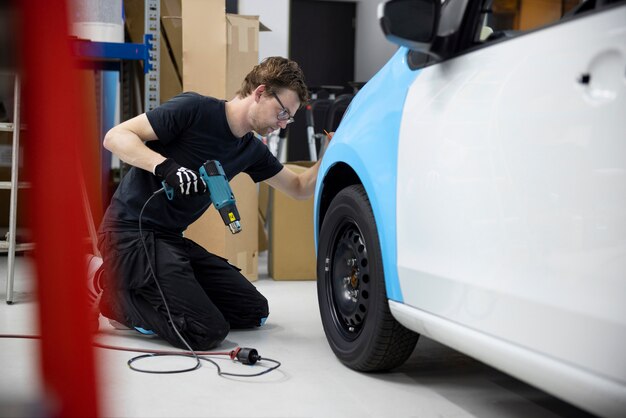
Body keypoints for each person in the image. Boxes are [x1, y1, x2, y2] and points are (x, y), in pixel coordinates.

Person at [88, 57, 323, 350]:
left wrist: (331, 152)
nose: (283, 124)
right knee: (206, 331)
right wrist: (165, 167)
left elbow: (299, 188)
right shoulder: (194, 109)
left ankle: (161, 290)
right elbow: (115, 137)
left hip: (170, 240)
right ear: (260, 92)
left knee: (252, 311)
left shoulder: (250, 149)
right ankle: (108, 289)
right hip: (128, 233)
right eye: (282, 112)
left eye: (289, 118)